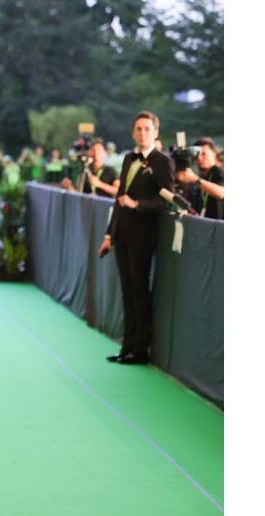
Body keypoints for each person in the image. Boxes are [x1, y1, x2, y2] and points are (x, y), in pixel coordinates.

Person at [99, 111, 175, 365]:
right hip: (121, 235)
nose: (142, 133)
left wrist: (136, 204)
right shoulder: (128, 159)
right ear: (133, 132)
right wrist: (109, 234)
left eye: (147, 129)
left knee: (140, 292)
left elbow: (167, 202)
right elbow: (119, 198)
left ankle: (140, 350)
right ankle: (127, 346)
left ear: (155, 132)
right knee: (127, 292)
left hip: (143, 236)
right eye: (138, 129)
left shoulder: (162, 162)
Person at [175, 137, 224, 220]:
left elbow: (222, 193)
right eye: (197, 154)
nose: (199, 158)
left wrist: (195, 179)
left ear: (214, 153)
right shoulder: (204, 176)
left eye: (203, 154)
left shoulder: (218, 172)